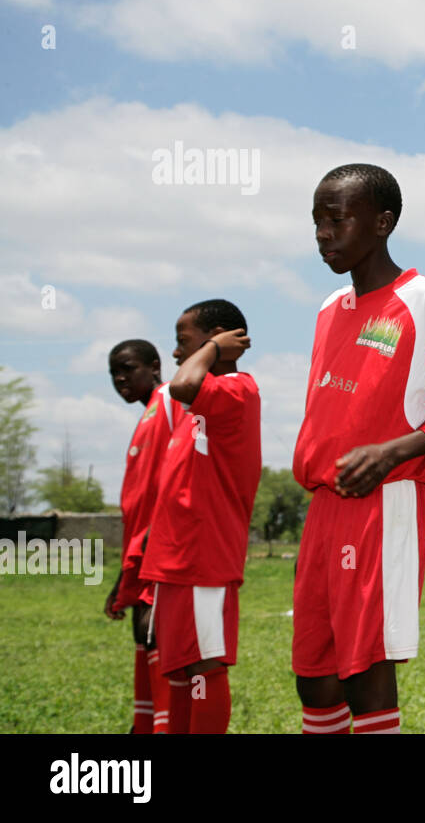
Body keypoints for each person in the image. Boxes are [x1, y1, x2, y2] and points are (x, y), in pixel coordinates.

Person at [293, 163, 425, 735]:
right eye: (316, 223)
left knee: (366, 668)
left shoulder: (422, 299)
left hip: (384, 504)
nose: (324, 234)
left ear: (383, 223)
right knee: (316, 672)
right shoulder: (329, 309)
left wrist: (389, 452)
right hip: (324, 508)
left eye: (337, 220)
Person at [139, 300, 261, 735]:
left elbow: (183, 384)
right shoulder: (197, 412)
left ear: (224, 339)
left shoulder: (236, 391)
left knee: (204, 667)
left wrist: (211, 348)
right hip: (174, 562)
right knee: (180, 670)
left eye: (183, 342)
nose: (176, 354)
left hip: (202, 559)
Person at [105, 339, 176, 733]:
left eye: (128, 368)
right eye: (113, 372)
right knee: (142, 631)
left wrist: (160, 534)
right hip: (139, 553)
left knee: (154, 632)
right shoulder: (147, 413)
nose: (120, 378)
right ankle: (145, 726)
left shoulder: (168, 400)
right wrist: (122, 577)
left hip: (159, 551)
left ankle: (163, 725)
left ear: (154, 366)